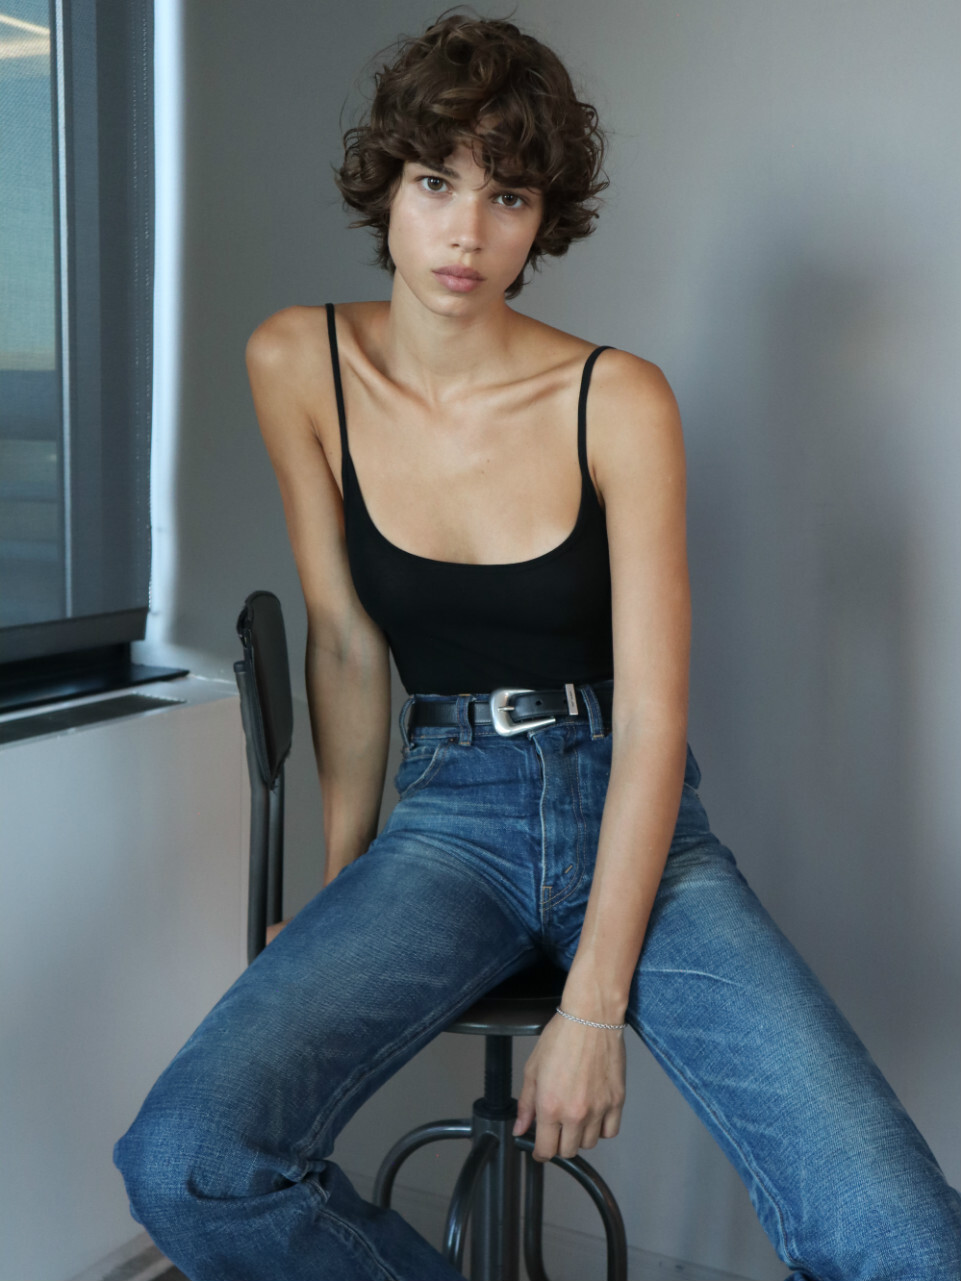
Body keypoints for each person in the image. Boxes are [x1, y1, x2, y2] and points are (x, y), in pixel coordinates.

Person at [114, 14, 960, 1279]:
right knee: (190, 1158)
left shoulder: (617, 399)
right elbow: (345, 645)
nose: (466, 231)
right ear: (387, 187)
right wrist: (341, 888)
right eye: (435, 182)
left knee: (910, 1243)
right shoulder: (298, 362)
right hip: (446, 822)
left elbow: (657, 713)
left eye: (506, 195)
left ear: (542, 217)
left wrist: (593, 1008)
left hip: (636, 820)